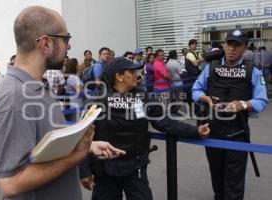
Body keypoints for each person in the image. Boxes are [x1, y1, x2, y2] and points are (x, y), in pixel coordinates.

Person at [0, 6, 125, 200]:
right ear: (46, 44)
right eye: (66, 39)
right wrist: (78, 155)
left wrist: (88, 146)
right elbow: (12, 183)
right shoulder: (15, 97)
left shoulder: (35, 87)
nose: (68, 47)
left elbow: (44, 143)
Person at [80, 57, 210, 200]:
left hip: (135, 167)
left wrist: (194, 131)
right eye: (132, 71)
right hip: (105, 170)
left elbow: (163, 121)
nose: (138, 75)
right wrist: (84, 171)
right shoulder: (96, 101)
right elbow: (84, 137)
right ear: (119, 76)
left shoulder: (142, 98)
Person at [192, 29, 268, 200]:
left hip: (237, 133)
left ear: (245, 48)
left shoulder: (252, 71)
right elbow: (195, 90)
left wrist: (243, 104)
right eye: (229, 44)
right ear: (224, 45)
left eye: (237, 45)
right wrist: (205, 98)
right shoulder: (211, 68)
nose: (232, 48)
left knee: (234, 182)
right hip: (212, 131)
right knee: (217, 177)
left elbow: (262, 100)